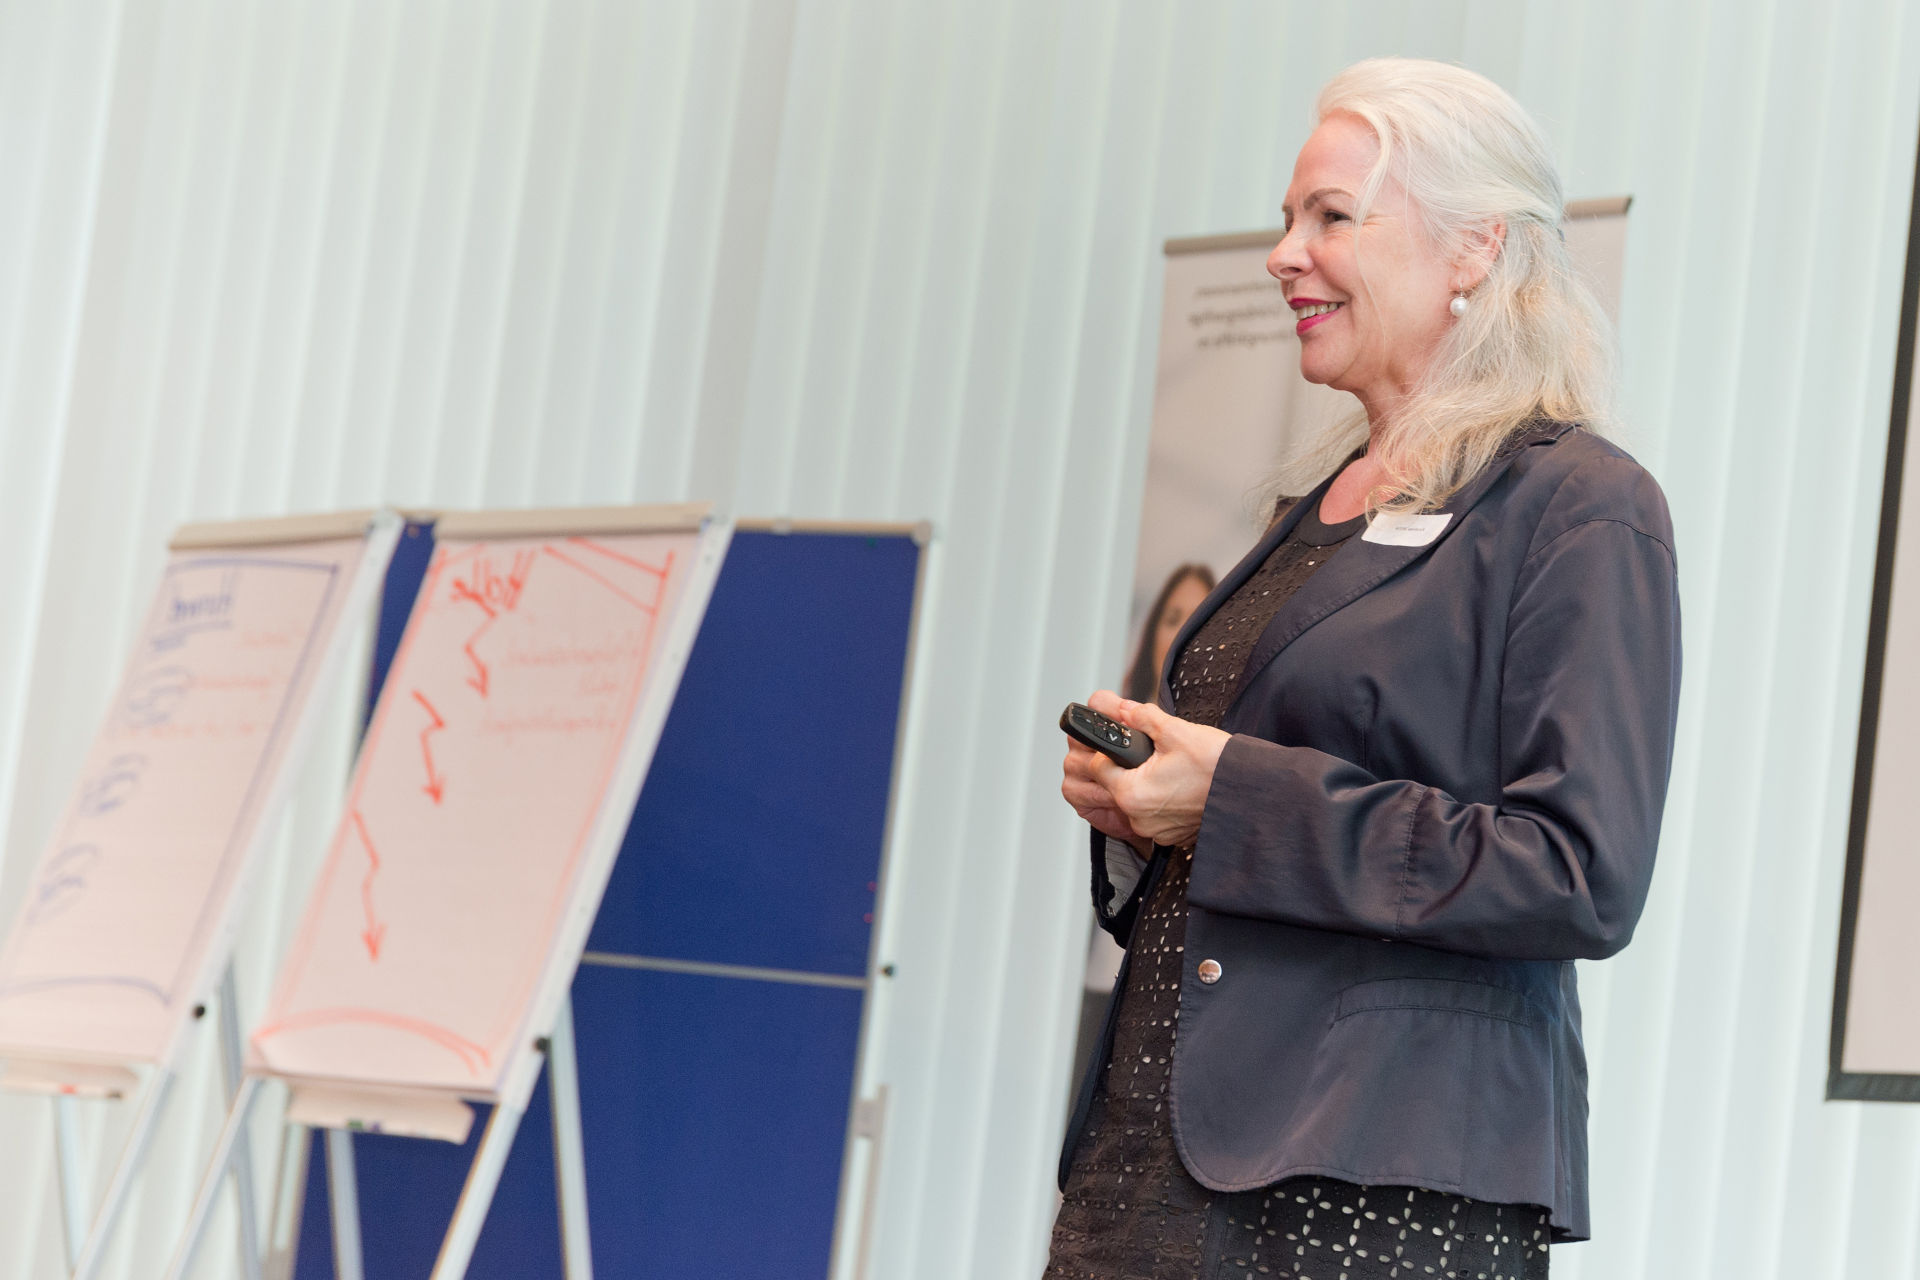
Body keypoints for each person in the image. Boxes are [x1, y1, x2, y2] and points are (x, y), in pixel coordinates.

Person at [1046, 58, 1680, 1280]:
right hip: (1155, 1153)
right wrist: (1144, 797)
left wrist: (1229, 798)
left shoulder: (1579, 506)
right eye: (1289, 218)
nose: (1284, 254)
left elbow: (1579, 873)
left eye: (1332, 217)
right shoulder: (1312, 504)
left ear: (1474, 247)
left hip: (1371, 1181)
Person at [1124, 563, 1218, 705]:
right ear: (1152, 636)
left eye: (1198, 624)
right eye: (1173, 620)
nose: (1182, 636)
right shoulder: (1115, 715)